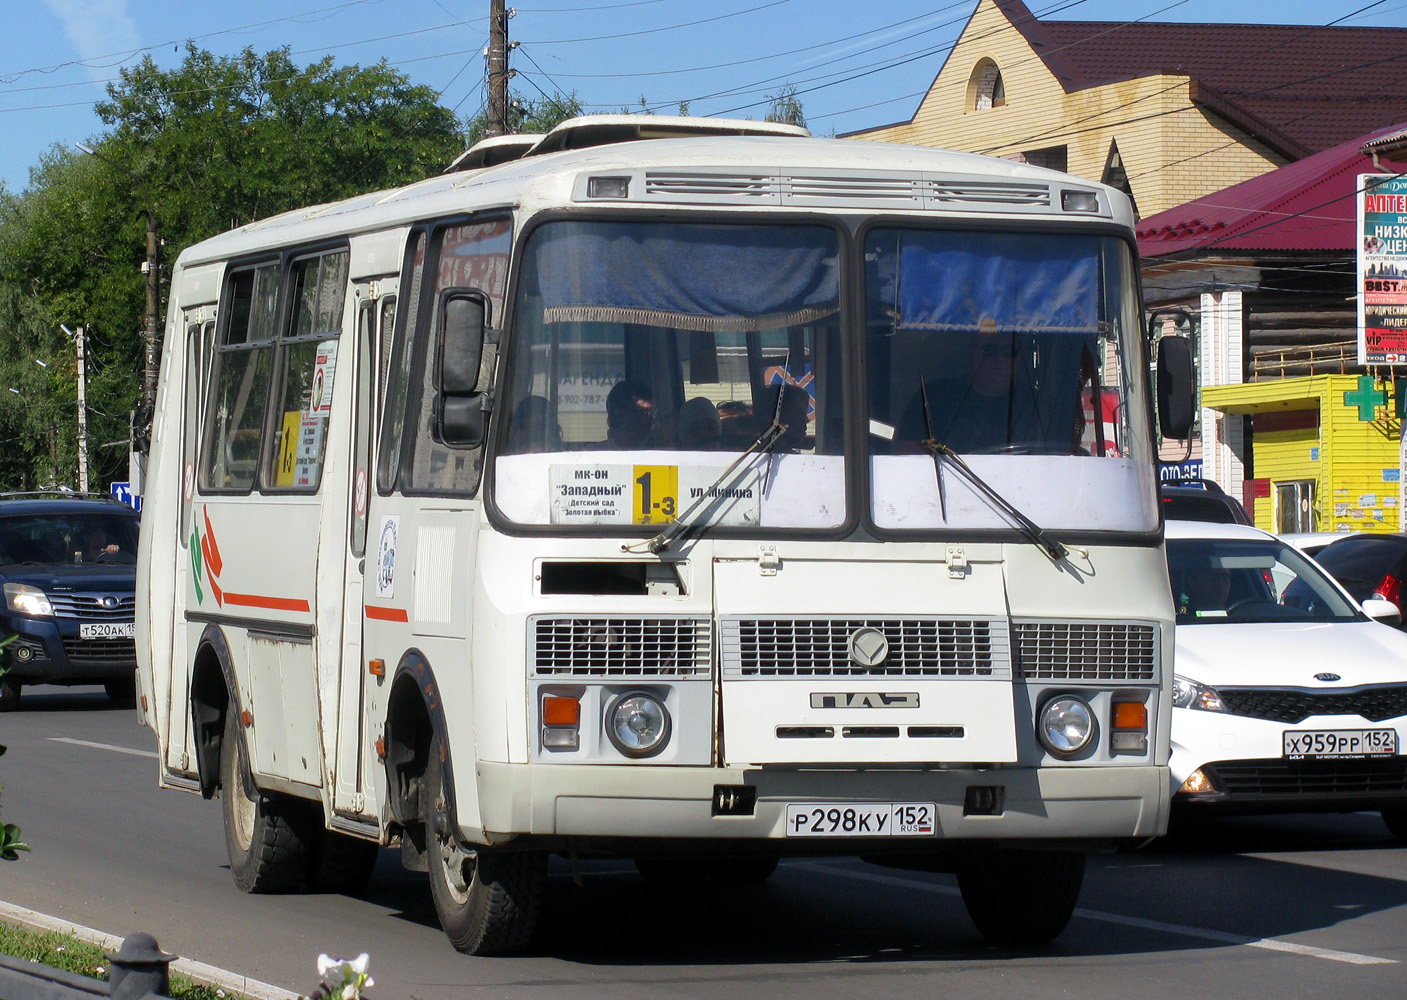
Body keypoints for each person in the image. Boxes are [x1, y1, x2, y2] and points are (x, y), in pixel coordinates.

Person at [605, 380, 657, 449]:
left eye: (654, 412)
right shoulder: (593, 456)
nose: (653, 419)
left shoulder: (666, 454)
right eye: (646, 413)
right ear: (621, 414)